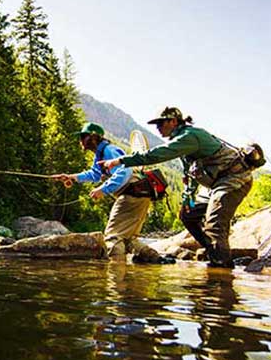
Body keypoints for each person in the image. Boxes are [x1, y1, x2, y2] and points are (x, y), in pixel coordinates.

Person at [100, 107, 253, 268]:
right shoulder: (183, 142)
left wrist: (120, 161)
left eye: (160, 123)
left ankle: (221, 267)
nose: (157, 127)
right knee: (188, 216)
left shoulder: (189, 136)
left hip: (235, 179)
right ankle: (214, 252)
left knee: (215, 224)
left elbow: (156, 155)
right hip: (215, 184)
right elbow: (191, 174)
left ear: (173, 121)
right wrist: (188, 199)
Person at [52, 122, 172, 263]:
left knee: (112, 236)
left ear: (93, 138)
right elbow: (94, 174)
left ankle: (115, 276)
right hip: (140, 195)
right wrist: (71, 177)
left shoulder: (109, 150)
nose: (80, 141)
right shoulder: (101, 154)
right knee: (128, 238)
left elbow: (124, 171)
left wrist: (103, 189)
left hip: (131, 194)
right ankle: (156, 260)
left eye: (83, 136)